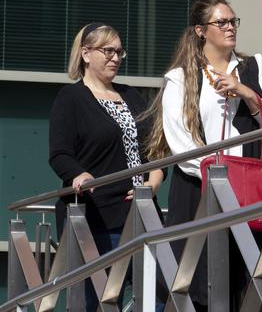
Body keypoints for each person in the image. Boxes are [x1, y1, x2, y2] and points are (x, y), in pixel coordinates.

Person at [144, 0, 262, 311]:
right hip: (201, 191)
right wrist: (220, 181)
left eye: (232, 21)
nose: (229, 28)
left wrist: (247, 93)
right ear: (200, 30)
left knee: (251, 284)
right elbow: (181, 143)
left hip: (251, 194)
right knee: (202, 286)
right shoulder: (180, 78)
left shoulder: (255, 67)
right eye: (220, 22)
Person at [49, 23, 165, 311]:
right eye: (108, 51)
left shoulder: (131, 95)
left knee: (162, 294)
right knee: (98, 301)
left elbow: (155, 150)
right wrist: (79, 173)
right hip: (98, 217)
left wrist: (155, 178)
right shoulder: (71, 98)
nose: (115, 57)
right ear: (86, 54)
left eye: (119, 52)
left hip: (141, 212)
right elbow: (59, 154)